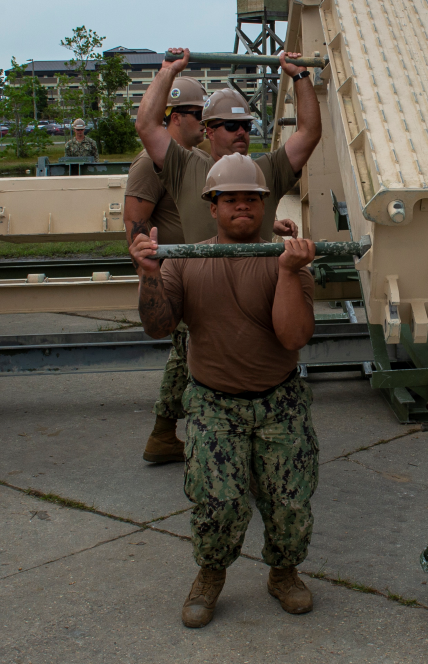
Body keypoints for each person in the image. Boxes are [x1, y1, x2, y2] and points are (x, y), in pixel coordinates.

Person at [129, 154, 320, 628]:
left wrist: (291, 273)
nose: (241, 207)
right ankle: (211, 574)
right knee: (219, 502)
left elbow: (293, 337)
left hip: (280, 402)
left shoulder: (287, 260)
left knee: (289, 502)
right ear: (212, 207)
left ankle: (283, 572)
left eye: (251, 199)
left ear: (264, 204)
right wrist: (150, 274)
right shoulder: (186, 260)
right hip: (214, 405)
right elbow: (158, 327)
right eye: (230, 199)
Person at [135, 47, 318, 245]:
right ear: (210, 132)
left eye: (246, 125)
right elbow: (146, 126)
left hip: (258, 276)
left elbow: (309, 133)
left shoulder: (270, 169)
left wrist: (301, 75)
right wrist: (167, 72)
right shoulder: (185, 168)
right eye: (231, 125)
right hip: (204, 276)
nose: (241, 131)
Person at [125, 76, 210, 464]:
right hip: (175, 276)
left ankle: (163, 434)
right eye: (198, 115)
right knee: (188, 354)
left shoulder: (194, 158)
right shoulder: (150, 164)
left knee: (183, 355)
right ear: (175, 116)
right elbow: (135, 226)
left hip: (195, 273)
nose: (204, 123)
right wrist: (153, 281)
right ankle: (179, 433)